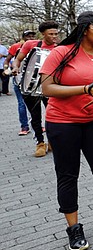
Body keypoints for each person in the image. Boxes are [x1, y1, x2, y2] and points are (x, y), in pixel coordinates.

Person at [40, 11, 93, 250]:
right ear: (85, 28)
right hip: (62, 122)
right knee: (68, 175)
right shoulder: (62, 53)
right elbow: (47, 88)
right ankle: (73, 228)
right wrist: (85, 88)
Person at [11, 20, 60, 157]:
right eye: (51, 34)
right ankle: (39, 142)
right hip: (30, 86)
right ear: (43, 34)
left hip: (49, 87)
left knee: (53, 115)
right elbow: (18, 60)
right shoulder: (30, 44)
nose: (54, 36)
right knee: (35, 116)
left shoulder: (59, 48)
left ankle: (52, 141)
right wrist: (15, 67)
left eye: (56, 33)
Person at [4, 30, 37, 135]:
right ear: (23, 37)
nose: (31, 38)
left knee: (36, 104)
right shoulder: (16, 47)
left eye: (32, 36)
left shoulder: (37, 46)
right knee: (22, 103)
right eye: (28, 36)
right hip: (19, 79)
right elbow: (7, 60)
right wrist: (6, 69)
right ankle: (24, 126)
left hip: (34, 79)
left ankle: (37, 125)